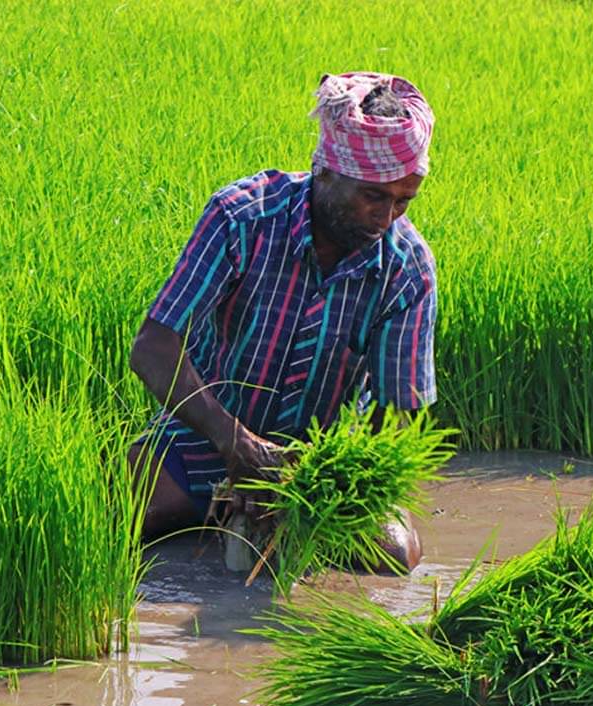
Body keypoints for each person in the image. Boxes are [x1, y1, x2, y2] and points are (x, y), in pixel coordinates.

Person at [128, 72, 438, 573]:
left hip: (316, 466)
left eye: (403, 202)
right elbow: (153, 345)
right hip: (207, 436)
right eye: (373, 197)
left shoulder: (407, 267)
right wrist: (238, 445)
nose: (386, 218)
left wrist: (324, 490)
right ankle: (212, 508)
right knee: (116, 511)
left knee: (396, 558)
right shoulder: (242, 218)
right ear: (326, 172)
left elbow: (394, 413)